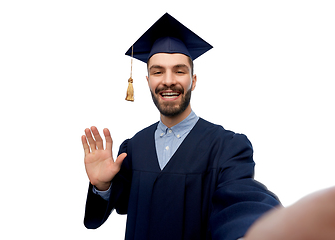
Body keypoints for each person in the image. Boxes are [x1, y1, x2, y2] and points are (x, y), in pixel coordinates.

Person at [81, 13, 280, 240]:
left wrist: (257, 230)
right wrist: (103, 186)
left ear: (193, 81)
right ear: (148, 81)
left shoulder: (226, 146)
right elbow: (120, 206)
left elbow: (242, 197)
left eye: (179, 70)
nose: (168, 80)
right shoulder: (134, 148)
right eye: (157, 71)